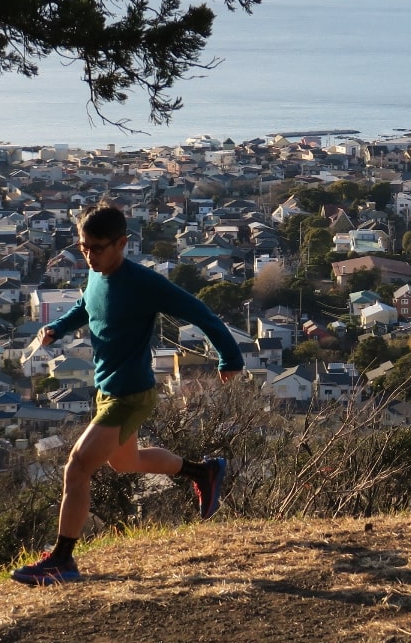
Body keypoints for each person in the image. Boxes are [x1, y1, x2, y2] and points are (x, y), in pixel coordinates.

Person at [12, 203, 244, 586]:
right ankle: (203, 471)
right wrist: (57, 327)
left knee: (78, 465)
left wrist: (229, 357)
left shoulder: (144, 283)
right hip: (107, 390)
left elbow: (200, 312)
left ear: (122, 243)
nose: (88, 254)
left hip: (130, 394)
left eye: (97, 247)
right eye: (83, 246)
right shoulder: (96, 273)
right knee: (126, 461)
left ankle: (63, 560)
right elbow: (87, 306)